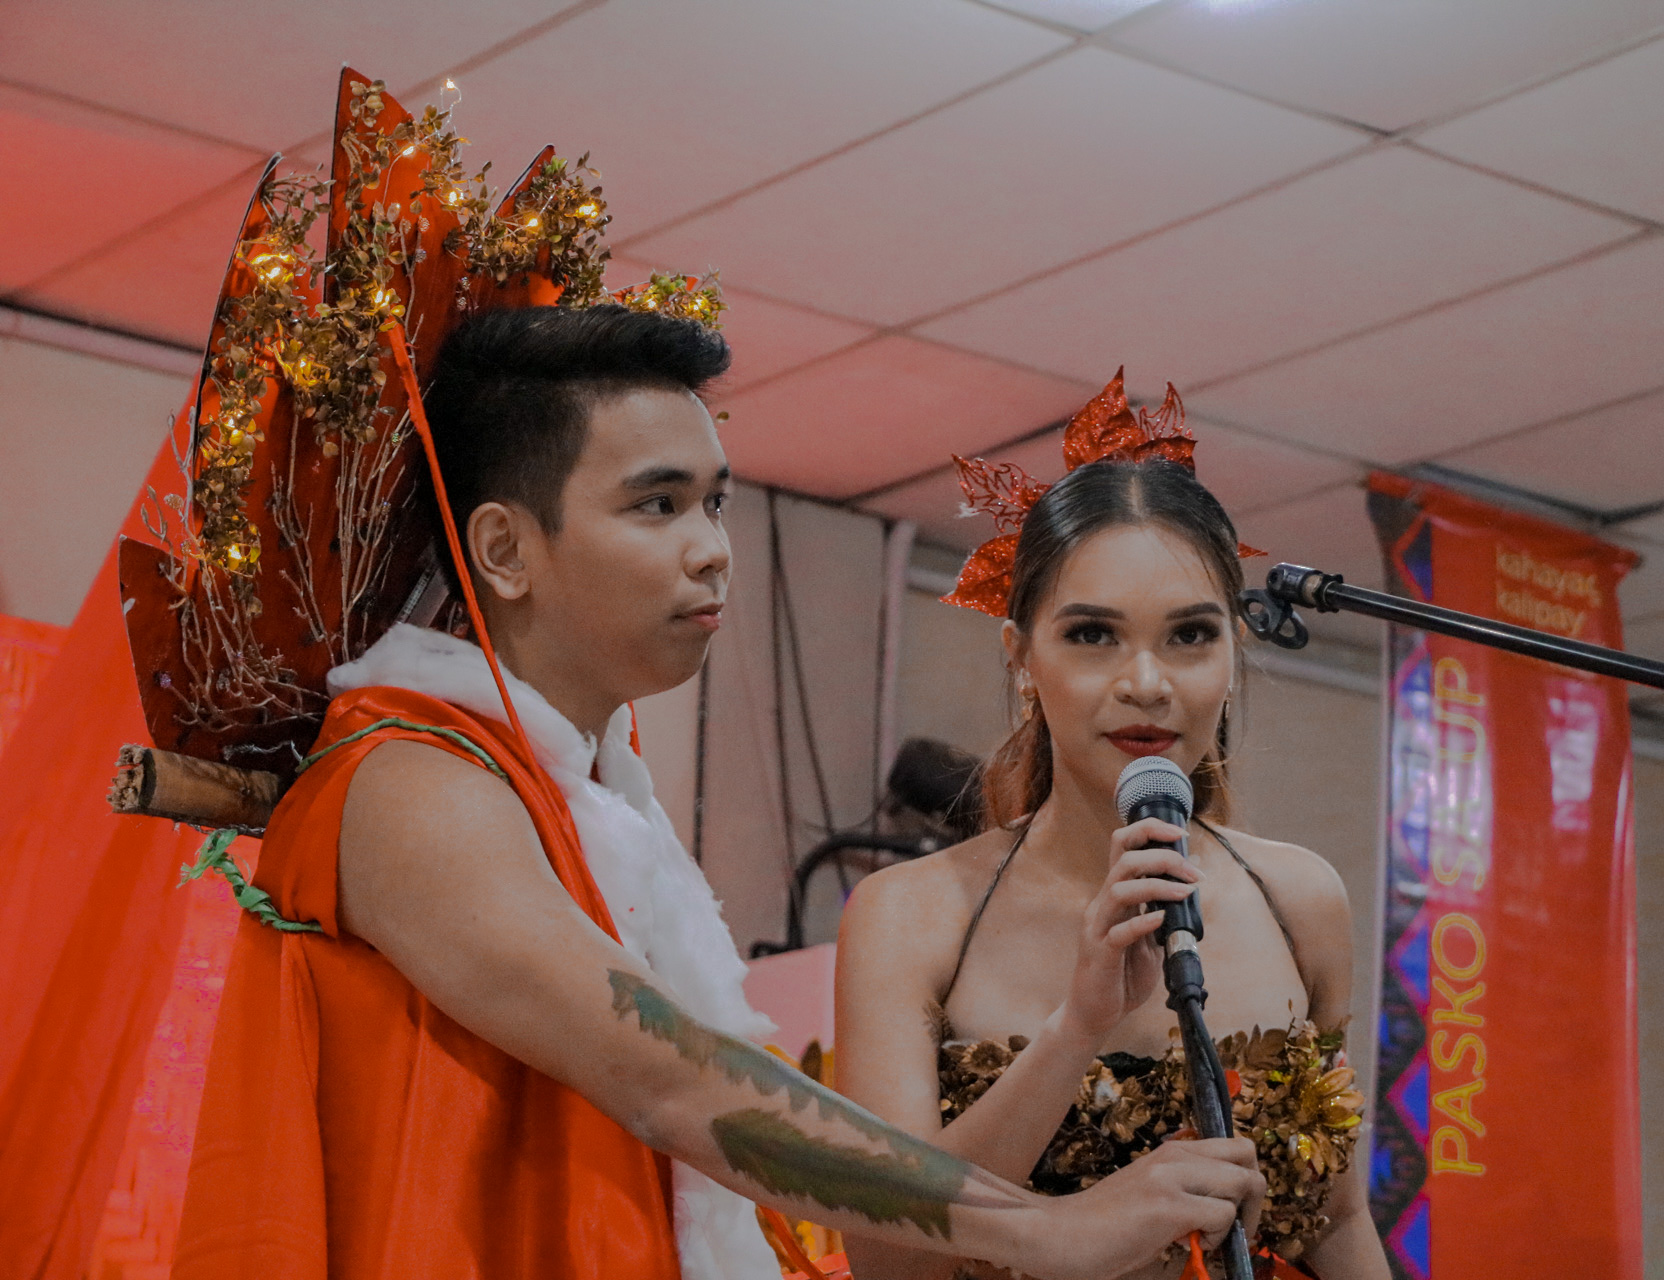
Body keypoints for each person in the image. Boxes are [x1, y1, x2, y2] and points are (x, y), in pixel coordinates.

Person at [167, 309, 1266, 1280]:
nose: (713, 551)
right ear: (503, 548)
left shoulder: (597, 789)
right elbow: (672, 1081)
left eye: (715, 502)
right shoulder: (410, 776)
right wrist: (1048, 1230)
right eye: (657, 505)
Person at [834, 372, 1392, 1280]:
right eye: (1093, 636)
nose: (1146, 683)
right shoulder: (910, 914)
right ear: (1022, 659)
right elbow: (887, 1260)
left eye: (1190, 636)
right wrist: (1077, 1027)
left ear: (1233, 657)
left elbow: (1337, 1220)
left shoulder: (1301, 897)